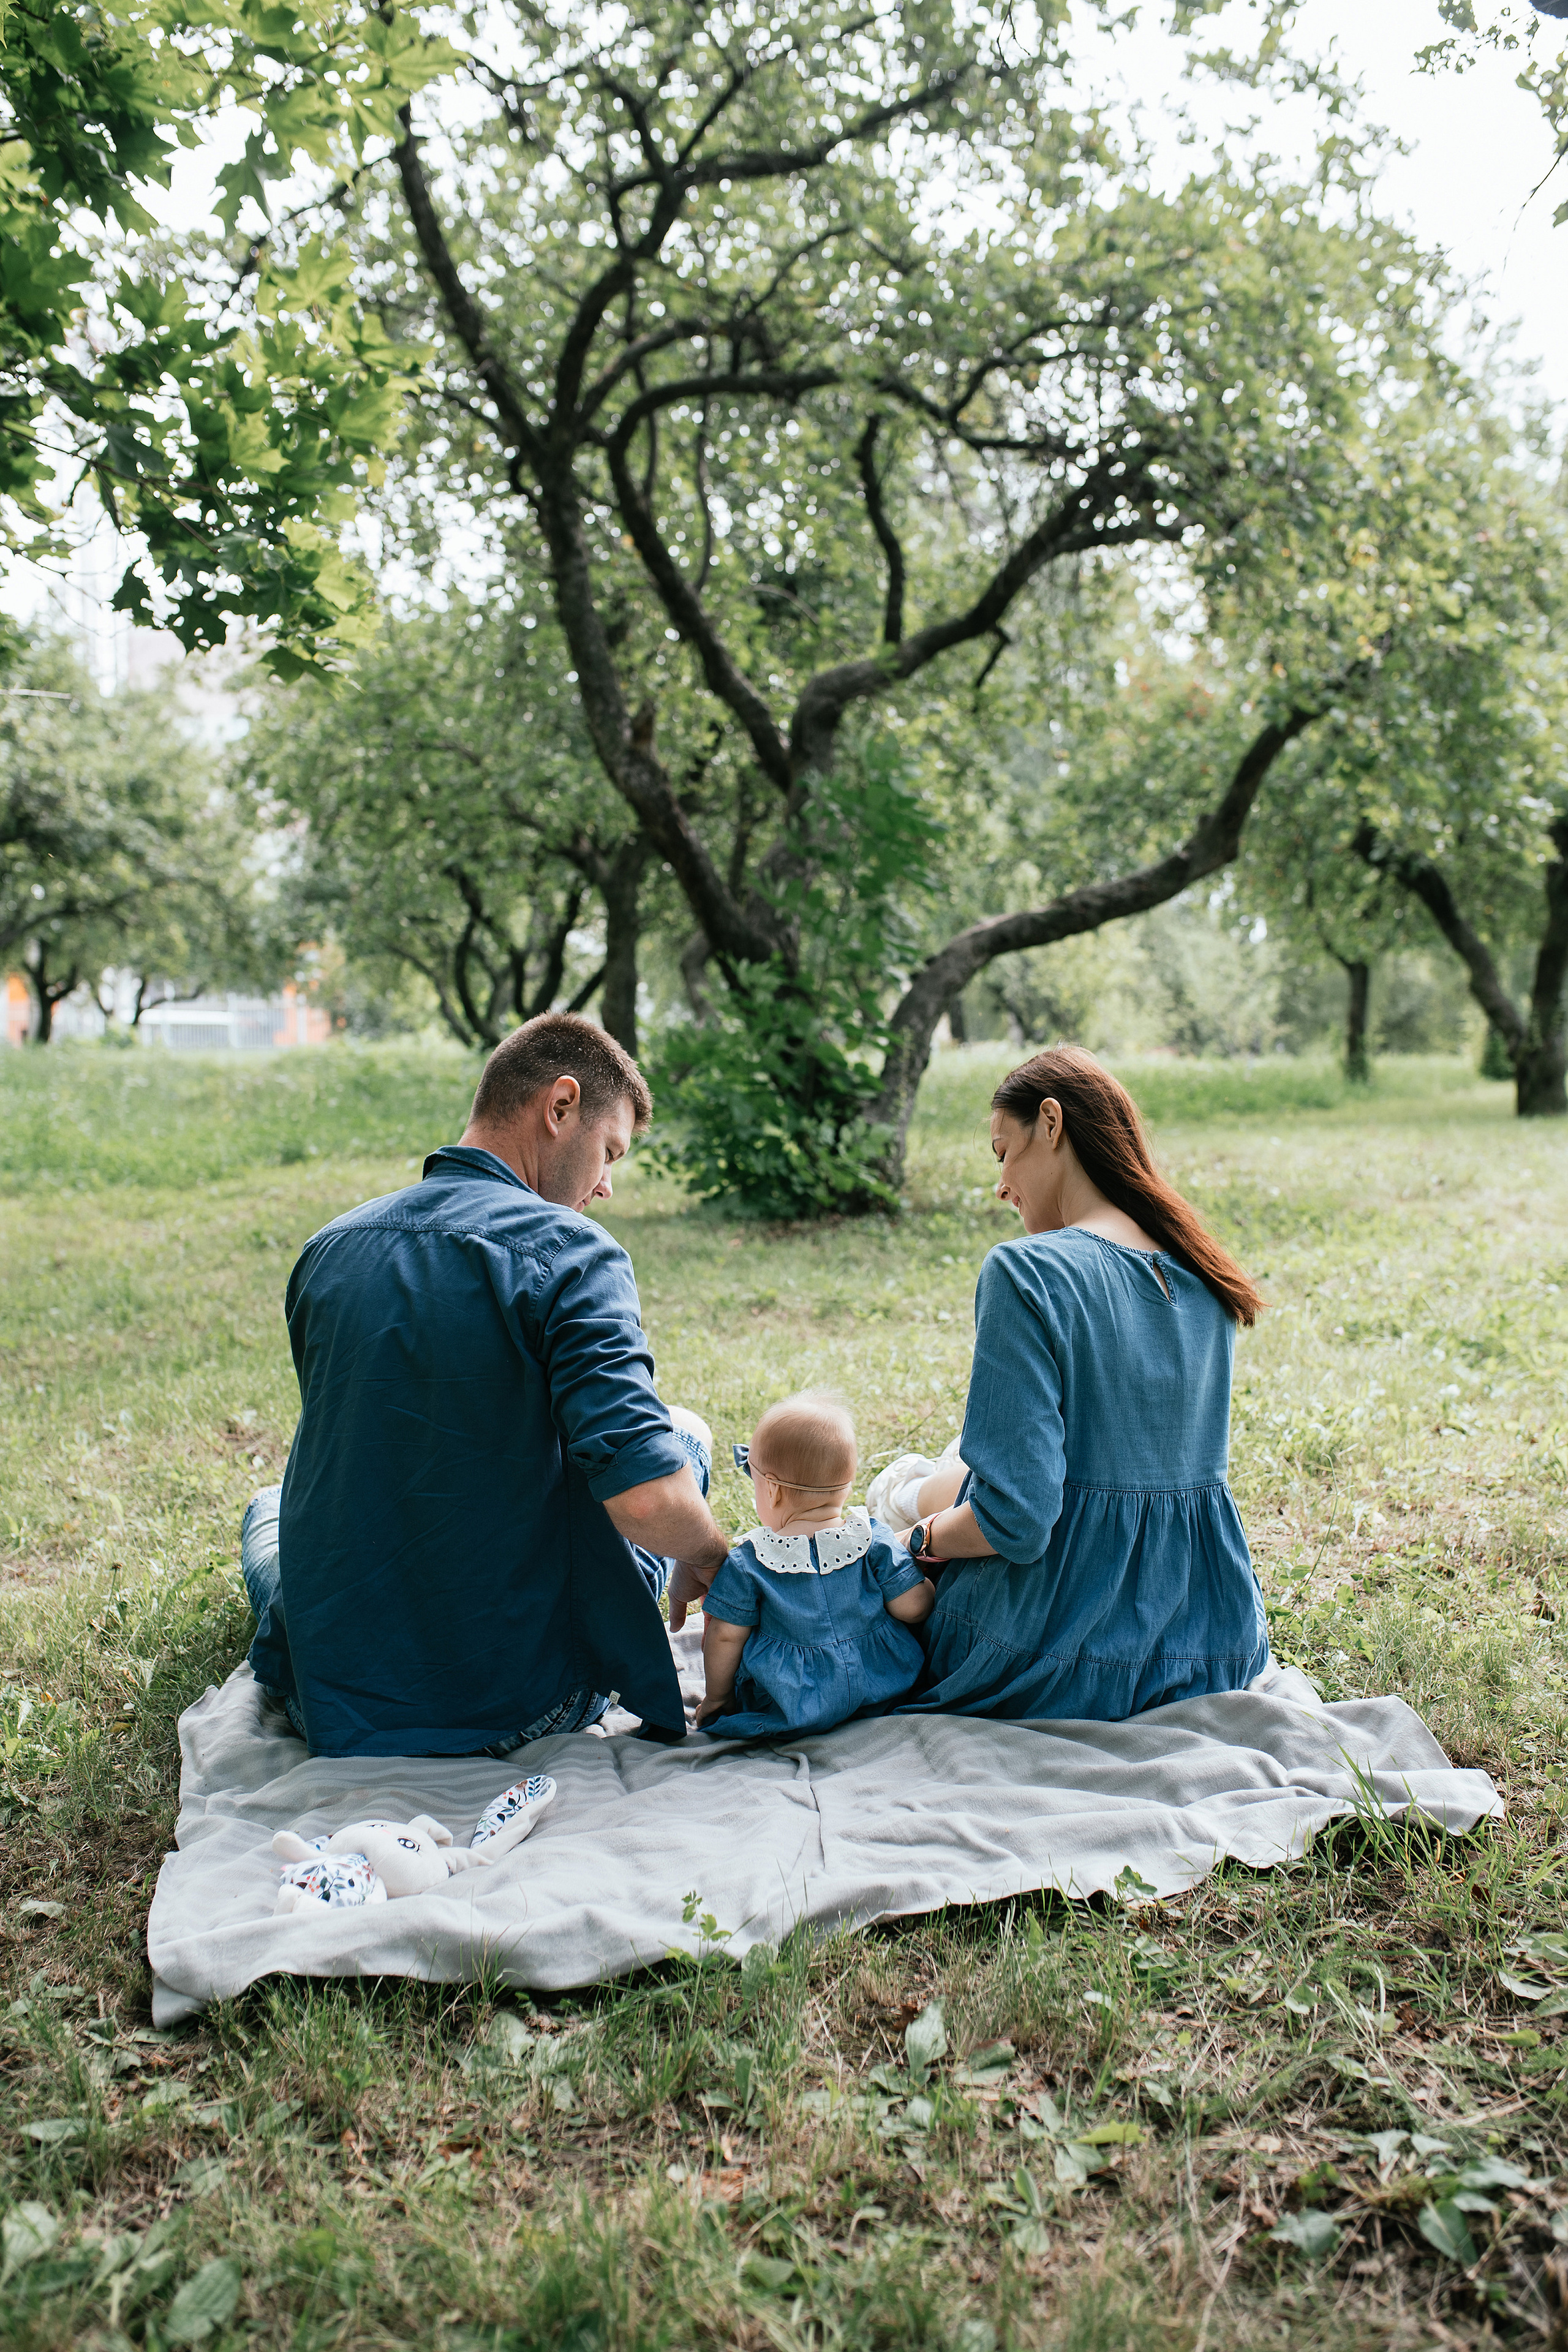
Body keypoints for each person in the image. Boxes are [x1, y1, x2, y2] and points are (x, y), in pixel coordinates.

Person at [241, 1013, 731, 1757]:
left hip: (331, 1696)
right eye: (609, 1154)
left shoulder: (328, 1248)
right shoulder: (572, 1254)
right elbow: (646, 1497)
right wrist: (715, 1557)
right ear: (559, 1106)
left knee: (270, 1511)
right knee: (682, 1436)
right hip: (519, 1699)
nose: (604, 1188)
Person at [891, 1047, 1270, 1721]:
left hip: (1047, 1650)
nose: (1000, 1184)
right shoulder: (1203, 1271)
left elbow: (1017, 1521)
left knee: (860, 1554)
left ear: (1051, 1121)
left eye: (1002, 1152)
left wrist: (916, 1542)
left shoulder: (1028, 1271)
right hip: (1212, 1643)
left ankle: (898, 1502)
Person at [695, 1392, 935, 1741]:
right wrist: (928, 1584)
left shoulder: (750, 1563)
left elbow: (725, 1634)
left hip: (789, 1701)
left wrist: (717, 1697)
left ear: (773, 1490)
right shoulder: (872, 1538)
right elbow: (914, 1608)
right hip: (884, 1683)